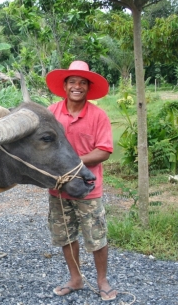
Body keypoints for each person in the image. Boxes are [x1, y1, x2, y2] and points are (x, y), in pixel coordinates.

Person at [45, 60, 117, 301]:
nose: (77, 86)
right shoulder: (51, 113)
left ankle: (102, 281)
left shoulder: (98, 116)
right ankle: (75, 279)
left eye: (82, 82)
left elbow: (104, 150)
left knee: (96, 236)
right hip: (58, 189)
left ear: (88, 87)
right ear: (64, 86)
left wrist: (73, 163)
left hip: (88, 189)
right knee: (65, 235)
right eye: (72, 82)